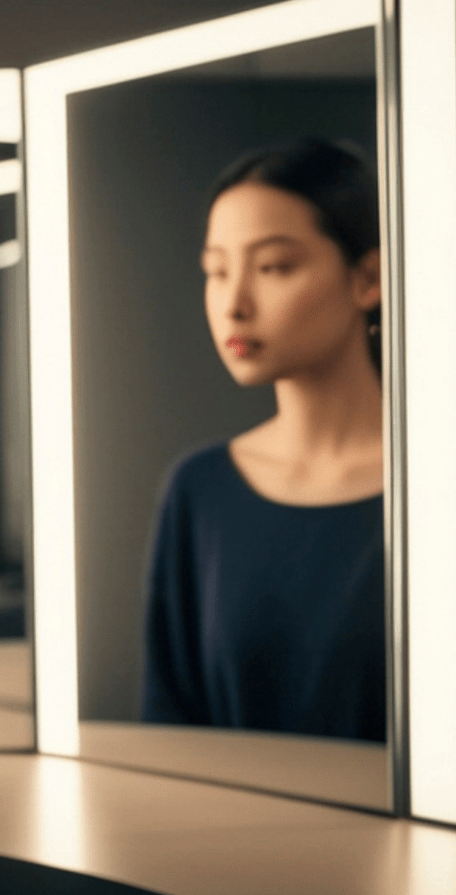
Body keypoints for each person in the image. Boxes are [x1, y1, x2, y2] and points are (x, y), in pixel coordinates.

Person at [141, 138, 389, 740]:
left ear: (369, 277)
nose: (233, 303)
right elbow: (170, 729)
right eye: (217, 271)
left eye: (274, 266)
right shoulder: (200, 489)